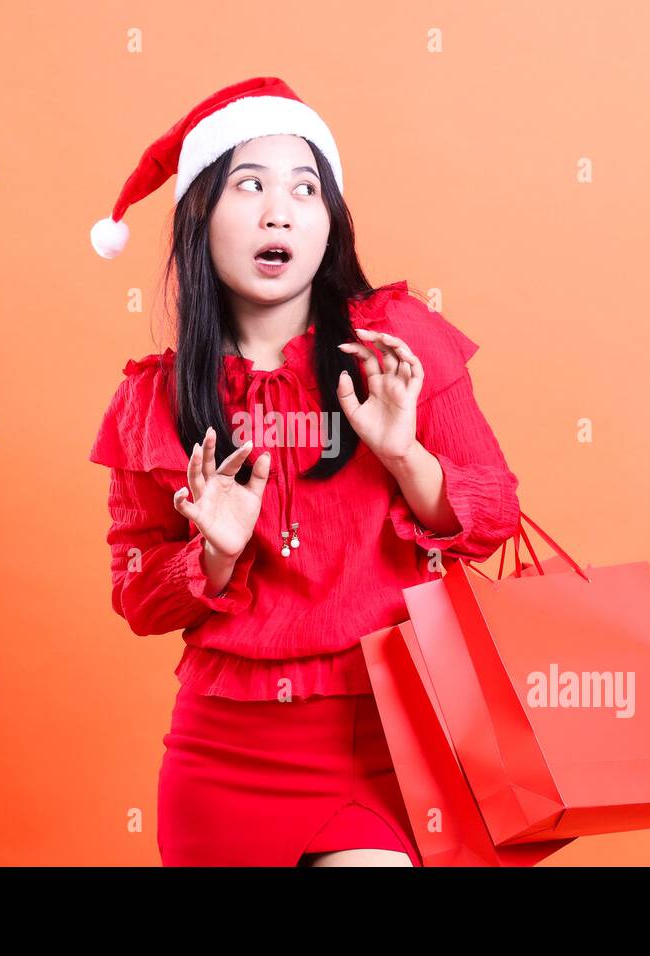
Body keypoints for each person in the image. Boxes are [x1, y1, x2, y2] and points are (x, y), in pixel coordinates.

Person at [87, 77, 521, 867]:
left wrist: (401, 453)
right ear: (200, 218)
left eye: (305, 188)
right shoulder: (153, 399)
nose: (278, 210)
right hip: (224, 751)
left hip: (386, 738)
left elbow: (493, 519)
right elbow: (136, 594)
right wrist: (211, 554)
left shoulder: (397, 344)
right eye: (248, 185)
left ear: (328, 223)